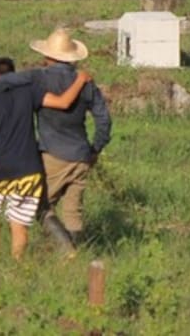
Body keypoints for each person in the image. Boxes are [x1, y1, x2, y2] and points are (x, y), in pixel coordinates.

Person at [0, 57, 91, 259]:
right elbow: (63, 102)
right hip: (28, 170)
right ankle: (17, 265)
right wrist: (80, 80)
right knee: (19, 224)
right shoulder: (29, 91)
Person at [11, 27, 112, 245]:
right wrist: (95, 149)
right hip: (82, 155)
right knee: (73, 212)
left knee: (37, 203)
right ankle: (75, 253)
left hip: (53, 155)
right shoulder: (86, 82)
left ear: (47, 56)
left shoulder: (37, 79)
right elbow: (104, 120)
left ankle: (66, 250)